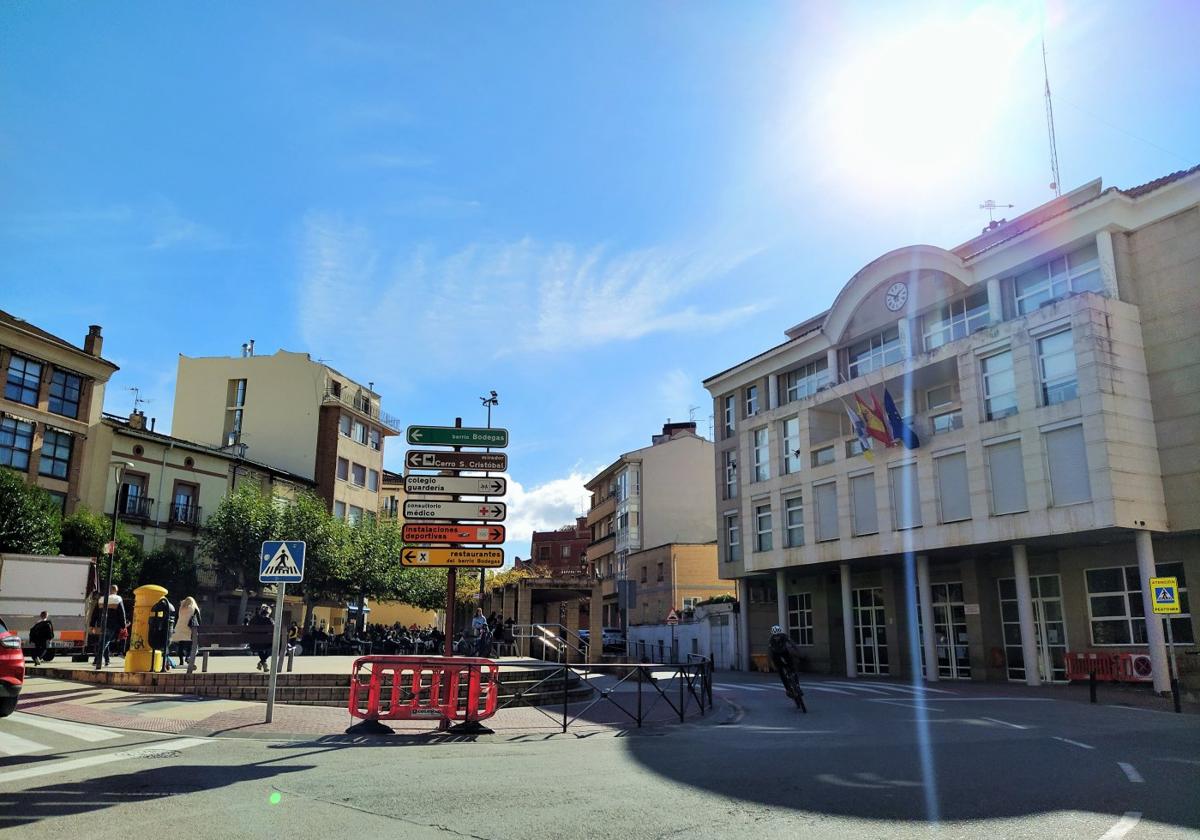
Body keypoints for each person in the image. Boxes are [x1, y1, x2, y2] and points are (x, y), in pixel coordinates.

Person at [91, 585, 127, 667]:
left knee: (104, 641)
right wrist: (123, 625)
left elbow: (95, 613)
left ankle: (107, 660)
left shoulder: (101, 599)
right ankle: (97, 660)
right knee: (105, 642)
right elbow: (122, 613)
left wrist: (92, 624)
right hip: (112, 624)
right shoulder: (118, 599)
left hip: (101, 624)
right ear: (116, 591)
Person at [767, 624, 803, 697]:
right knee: (781, 673)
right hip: (775, 654)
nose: (777, 637)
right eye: (775, 636)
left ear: (780, 633)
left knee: (793, 668)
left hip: (784, 652)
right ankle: (788, 689)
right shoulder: (771, 639)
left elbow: (792, 643)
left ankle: (797, 686)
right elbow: (769, 652)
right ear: (773, 635)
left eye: (778, 635)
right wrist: (771, 663)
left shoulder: (784, 636)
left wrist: (798, 651)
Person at [172, 597, 200, 666]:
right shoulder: (194, 608)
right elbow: (199, 620)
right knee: (191, 645)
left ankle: (181, 661)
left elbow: (176, 618)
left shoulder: (181, 608)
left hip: (179, 630)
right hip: (189, 630)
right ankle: (188, 657)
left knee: (180, 645)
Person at [249, 604, 274, 671]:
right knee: (273, 647)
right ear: (268, 613)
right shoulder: (269, 620)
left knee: (260, 645)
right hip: (265, 643)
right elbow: (274, 629)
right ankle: (263, 661)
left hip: (254, 643)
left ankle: (263, 662)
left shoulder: (253, 620)